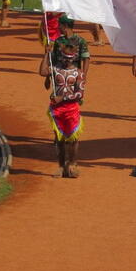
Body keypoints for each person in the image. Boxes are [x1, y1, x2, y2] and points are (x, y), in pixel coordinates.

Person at [40, 44, 85, 178]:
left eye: (69, 58)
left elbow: (80, 94)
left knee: (73, 139)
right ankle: (60, 166)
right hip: (57, 109)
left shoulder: (79, 73)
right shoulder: (56, 69)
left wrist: (63, 98)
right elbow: (42, 72)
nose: (67, 61)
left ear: (74, 58)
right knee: (59, 139)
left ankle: (72, 164)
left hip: (71, 109)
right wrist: (46, 54)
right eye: (64, 58)